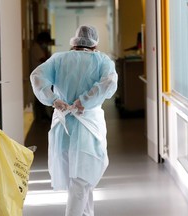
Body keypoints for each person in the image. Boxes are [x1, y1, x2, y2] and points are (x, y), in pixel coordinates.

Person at [30, 25, 118, 216]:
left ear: (74, 42)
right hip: (88, 130)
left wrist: (54, 100)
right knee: (81, 182)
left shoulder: (59, 59)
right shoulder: (102, 60)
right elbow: (109, 82)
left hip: (64, 129)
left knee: (80, 183)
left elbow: (37, 76)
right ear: (94, 44)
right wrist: (85, 101)